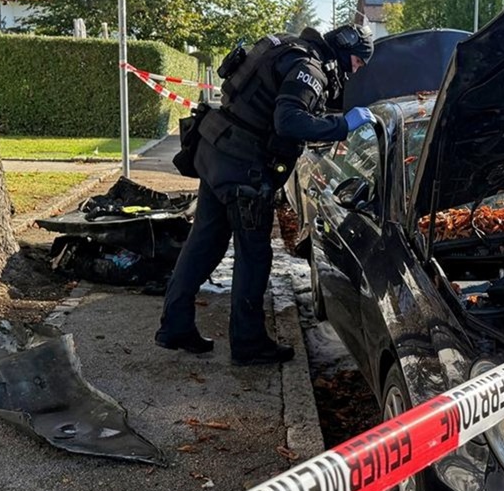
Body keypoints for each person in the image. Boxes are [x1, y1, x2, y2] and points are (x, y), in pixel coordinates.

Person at [155, 24, 376, 366]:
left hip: (215, 152)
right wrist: (343, 126)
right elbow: (289, 121)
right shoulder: (310, 69)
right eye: (359, 63)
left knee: (203, 242)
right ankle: (248, 344)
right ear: (346, 52)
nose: (357, 70)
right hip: (244, 169)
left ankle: (174, 326)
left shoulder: (285, 46)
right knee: (254, 256)